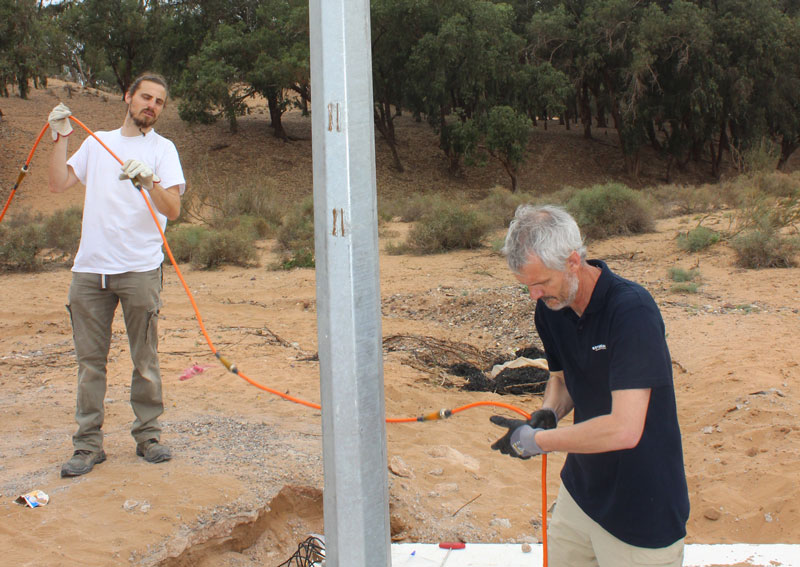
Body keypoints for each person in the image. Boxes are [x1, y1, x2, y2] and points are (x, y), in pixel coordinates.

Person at [490, 204, 689, 566]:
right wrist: (548, 413)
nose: (535, 295)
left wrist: (539, 442)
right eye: (528, 286)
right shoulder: (551, 308)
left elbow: (624, 429)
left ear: (572, 262)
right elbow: (562, 379)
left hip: (643, 509)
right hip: (581, 493)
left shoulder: (632, 312)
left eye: (542, 283)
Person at [48, 72, 185, 477]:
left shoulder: (163, 149)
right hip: (90, 271)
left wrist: (149, 180)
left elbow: (173, 209)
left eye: (159, 101)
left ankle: (149, 436)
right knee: (90, 364)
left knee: (145, 359)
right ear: (128, 97)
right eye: (146, 97)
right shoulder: (97, 143)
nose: (152, 106)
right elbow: (57, 183)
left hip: (140, 270)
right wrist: (61, 138)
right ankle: (88, 445)